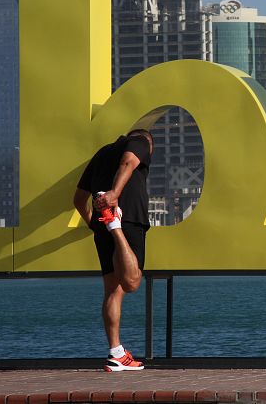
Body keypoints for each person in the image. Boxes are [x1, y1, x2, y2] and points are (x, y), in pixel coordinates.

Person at [73, 129, 153, 372]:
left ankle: (116, 353)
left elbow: (78, 199)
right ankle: (114, 225)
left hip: (101, 224)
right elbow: (128, 162)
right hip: (126, 220)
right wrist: (114, 196)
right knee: (131, 283)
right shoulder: (140, 141)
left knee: (113, 291)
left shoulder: (101, 154)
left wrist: (95, 226)